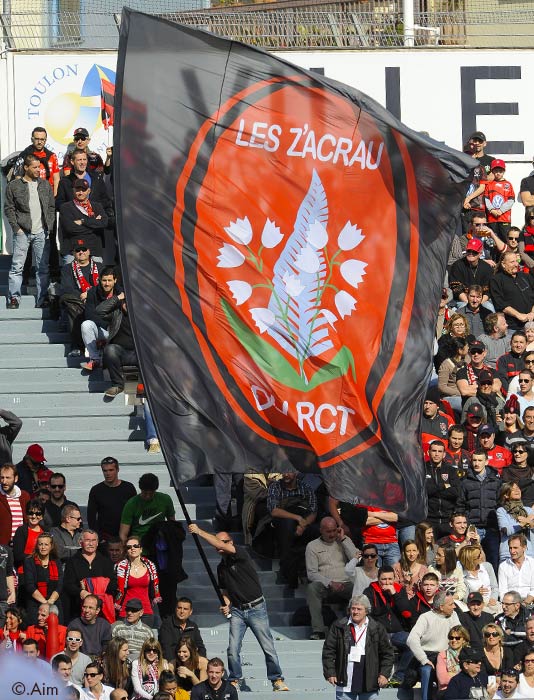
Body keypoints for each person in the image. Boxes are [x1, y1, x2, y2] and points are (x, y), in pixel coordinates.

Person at [188, 523, 288, 691]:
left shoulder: (241, 553)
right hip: (237, 611)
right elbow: (224, 591)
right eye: (220, 542)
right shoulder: (221, 567)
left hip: (256, 607)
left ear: (231, 542)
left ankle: (276, 679)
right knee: (233, 649)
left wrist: (199, 531)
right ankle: (235, 679)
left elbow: (219, 544)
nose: (221, 545)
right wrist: (227, 604)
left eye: (225, 541)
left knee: (267, 646)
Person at [5, 153, 55, 309]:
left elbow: (51, 207)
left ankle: (43, 298)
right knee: (17, 267)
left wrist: (49, 227)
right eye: (34, 167)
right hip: (23, 232)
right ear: (25, 167)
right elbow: (9, 208)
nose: (38, 170)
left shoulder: (45, 185)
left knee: (43, 268)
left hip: (41, 232)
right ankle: (14, 297)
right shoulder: (14, 185)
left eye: (39, 167)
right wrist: (16, 228)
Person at [322, 594, 394, 700]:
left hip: (369, 679)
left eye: (359, 609)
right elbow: (328, 651)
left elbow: (387, 653)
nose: (355, 612)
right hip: (345, 678)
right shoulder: (338, 626)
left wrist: (384, 674)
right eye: (353, 608)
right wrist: (330, 672)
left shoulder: (377, 628)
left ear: (366, 611)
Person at [305, 516, 357, 639]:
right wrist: (330, 583)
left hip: (346, 583)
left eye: (334, 530)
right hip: (326, 586)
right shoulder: (312, 546)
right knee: (312, 588)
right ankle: (318, 630)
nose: (332, 534)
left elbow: (357, 558)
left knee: (360, 585)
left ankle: (355, 627)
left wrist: (343, 539)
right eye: (328, 531)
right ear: (321, 530)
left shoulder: (343, 540)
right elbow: (311, 573)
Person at [363, 566, 413, 684]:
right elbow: (368, 614)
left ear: (395, 578)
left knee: (413, 643)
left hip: (398, 632)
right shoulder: (369, 591)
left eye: (390, 579)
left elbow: (407, 612)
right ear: (378, 579)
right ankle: (376, 677)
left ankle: (399, 676)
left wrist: (394, 595)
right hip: (379, 633)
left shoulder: (399, 590)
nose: (387, 582)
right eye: (383, 579)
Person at [267, 470, 318, 588]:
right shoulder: (275, 487)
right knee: (288, 526)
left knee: (318, 530)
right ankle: (288, 572)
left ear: (295, 473)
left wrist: (302, 525)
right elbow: (274, 510)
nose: (286, 475)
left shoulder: (305, 487)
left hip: (304, 521)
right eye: (283, 472)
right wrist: (297, 518)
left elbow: (313, 510)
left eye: (289, 472)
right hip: (283, 521)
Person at [406, 592, 460, 700]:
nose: (454, 606)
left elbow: (459, 635)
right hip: (428, 655)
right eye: (451, 604)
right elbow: (411, 639)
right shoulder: (425, 617)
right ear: (441, 607)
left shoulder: (453, 615)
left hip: (447, 656)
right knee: (427, 671)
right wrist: (423, 659)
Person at [458, 450, 501, 571]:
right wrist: (467, 525)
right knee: (471, 560)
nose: (477, 463)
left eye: (480, 460)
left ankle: (493, 588)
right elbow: (461, 505)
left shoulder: (496, 481)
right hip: (473, 527)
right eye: (474, 460)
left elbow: (500, 504)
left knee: (493, 560)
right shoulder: (465, 482)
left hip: (491, 528)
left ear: (486, 461)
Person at [59, 240, 103, 357]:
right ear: (74, 253)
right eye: (78, 250)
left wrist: (90, 295)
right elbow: (67, 288)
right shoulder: (67, 269)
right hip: (78, 301)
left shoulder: (99, 267)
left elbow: (106, 286)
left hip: (98, 299)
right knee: (72, 305)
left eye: (84, 249)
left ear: (89, 252)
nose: (81, 252)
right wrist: (81, 296)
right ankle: (77, 346)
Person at [64, 529, 117, 621]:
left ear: (97, 543)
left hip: (102, 610)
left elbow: (113, 583)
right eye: (87, 540)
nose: (91, 543)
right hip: (78, 610)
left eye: (93, 540)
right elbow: (68, 584)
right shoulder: (72, 562)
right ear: (80, 542)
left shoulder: (106, 562)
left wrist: (100, 594)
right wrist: (81, 592)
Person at [80, 267, 122, 371]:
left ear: (115, 280)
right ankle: (95, 359)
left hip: (117, 332)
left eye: (109, 280)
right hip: (101, 330)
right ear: (99, 280)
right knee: (86, 324)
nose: (107, 284)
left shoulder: (121, 292)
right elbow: (90, 315)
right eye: (104, 280)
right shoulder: (92, 292)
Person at [87, 457, 136, 543]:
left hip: (126, 536)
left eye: (111, 470)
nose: (108, 473)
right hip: (105, 537)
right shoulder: (96, 490)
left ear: (117, 470)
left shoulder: (128, 488)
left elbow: (135, 512)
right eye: (105, 471)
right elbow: (91, 517)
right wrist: (98, 537)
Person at [99, 291, 138, 399]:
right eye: (125, 302)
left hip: (139, 354)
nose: (127, 305)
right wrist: (118, 297)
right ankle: (117, 385)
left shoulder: (141, 316)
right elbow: (100, 311)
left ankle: (150, 386)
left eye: (130, 302)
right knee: (110, 349)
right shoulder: (117, 314)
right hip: (121, 353)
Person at [119, 473, 175, 546]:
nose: (148, 496)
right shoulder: (132, 504)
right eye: (145, 493)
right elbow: (123, 533)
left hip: (159, 545)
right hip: (139, 545)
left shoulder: (165, 499)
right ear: (141, 489)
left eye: (151, 493)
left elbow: (173, 524)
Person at [23, 531, 63, 624]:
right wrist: (45, 603)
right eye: (40, 544)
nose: (43, 547)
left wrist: (50, 601)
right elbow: (30, 586)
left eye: (46, 544)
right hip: (35, 603)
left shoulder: (57, 561)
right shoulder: (29, 561)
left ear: (51, 546)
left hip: (53, 601)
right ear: (37, 545)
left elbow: (60, 584)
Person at [425, 440, 461, 539]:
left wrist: (434, 488)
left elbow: (456, 492)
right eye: (434, 451)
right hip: (429, 520)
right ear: (428, 452)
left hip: (448, 520)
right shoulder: (422, 469)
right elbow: (424, 491)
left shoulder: (451, 470)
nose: (437, 454)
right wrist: (444, 485)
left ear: (444, 454)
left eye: (440, 451)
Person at [491, 252, 534, 332]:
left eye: (516, 261)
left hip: (532, 324)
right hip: (513, 327)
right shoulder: (496, 280)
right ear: (503, 264)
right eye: (512, 262)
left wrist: (532, 313)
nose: (516, 264)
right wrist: (518, 315)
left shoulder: (525, 276)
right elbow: (500, 304)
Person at [13, 499, 44, 607]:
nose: (34, 516)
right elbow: (17, 555)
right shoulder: (22, 530)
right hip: (24, 574)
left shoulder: (45, 531)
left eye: (38, 513)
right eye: (31, 513)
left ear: (42, 516)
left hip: (41, 573)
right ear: (26, 515)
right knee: (25, 606)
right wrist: (36, 556)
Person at [159, 597, 207, 663]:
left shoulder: (193, 626)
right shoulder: (167, 625)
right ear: (176, 609)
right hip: (173, 663)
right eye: (179, 608)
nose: (182, 611)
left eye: (185, 609)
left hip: (191, 663)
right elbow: (166, 649)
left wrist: (198, 662)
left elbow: (201, 647)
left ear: (190, 612)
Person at [449, 238, 494, 307]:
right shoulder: (457, 265)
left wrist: (479, 303)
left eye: (474, 252)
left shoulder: (487, 268)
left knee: (489, 307)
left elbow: (489, 290)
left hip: (481, 301)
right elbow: (456, 289)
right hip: (463, 301)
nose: (471, 253)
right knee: (463, 307)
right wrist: (469, 304)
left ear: (480, 254)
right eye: (469, 251)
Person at [496, 483, 534, 562]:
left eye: (518, 488)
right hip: (508, 554)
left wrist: (529, 523)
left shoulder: (528, 510)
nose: (517, 490)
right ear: (506, 495)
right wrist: (523, 523)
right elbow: (506, 530)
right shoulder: (501, 511)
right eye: (513, 489)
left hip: (528, 553)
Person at [458, 545, 500, 615]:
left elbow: (494, 587)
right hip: (475, 605)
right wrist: (476, 594)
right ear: (470, 560)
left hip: (491, 603)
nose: (481, 556)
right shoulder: (463, 575)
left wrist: (493, 598)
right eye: (478, 556)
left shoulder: (487, 566)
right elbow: (465, 599)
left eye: (480, 553)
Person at [111, 598, 153, 662]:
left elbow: (151, 652)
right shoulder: (116, 627)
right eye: (127, 609)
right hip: (120, 662)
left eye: (133, 610)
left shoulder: (148, 631)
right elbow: (111, 649)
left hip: (140, 663)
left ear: (141, 612)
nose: (129, 613)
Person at [0, 463, 31, 546]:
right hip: (3, 546)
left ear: (15, 478)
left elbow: (28, 519)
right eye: (2, 477)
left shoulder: (24, 496)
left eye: (8, 478)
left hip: (21, 545)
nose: (4, 481)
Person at [485, 159, 515, 241]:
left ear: (504, 171)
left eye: (500, 171)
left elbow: (511, 200)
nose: (498, 173)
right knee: (492, 241)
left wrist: (501, 210)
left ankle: (506, 254)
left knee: (505, 240)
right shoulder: (489, 184)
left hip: (504, 218)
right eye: (496, 171)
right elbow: (486, 199)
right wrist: (492, 210)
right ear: (492, 171)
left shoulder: (508, 184)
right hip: (492, 218)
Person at [498, 534, 534, 603]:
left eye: (515, 548)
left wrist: (525, 603)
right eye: (510, 548)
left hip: (530, 601)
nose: (512, 551)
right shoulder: (503, 566)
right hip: (510, 603)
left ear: (524, 548)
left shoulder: (532, 564)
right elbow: (502, 591)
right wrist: (511, 604)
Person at [436, 624, 470, 693]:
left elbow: (473, 675)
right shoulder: (442, 655)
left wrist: (452, 673)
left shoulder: (470, 654)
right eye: (451, 638)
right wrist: (463, 674)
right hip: (447, 690)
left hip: (466, 689)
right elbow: (443, 680)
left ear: (464, 640)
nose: (454, 640)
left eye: (457, 638)